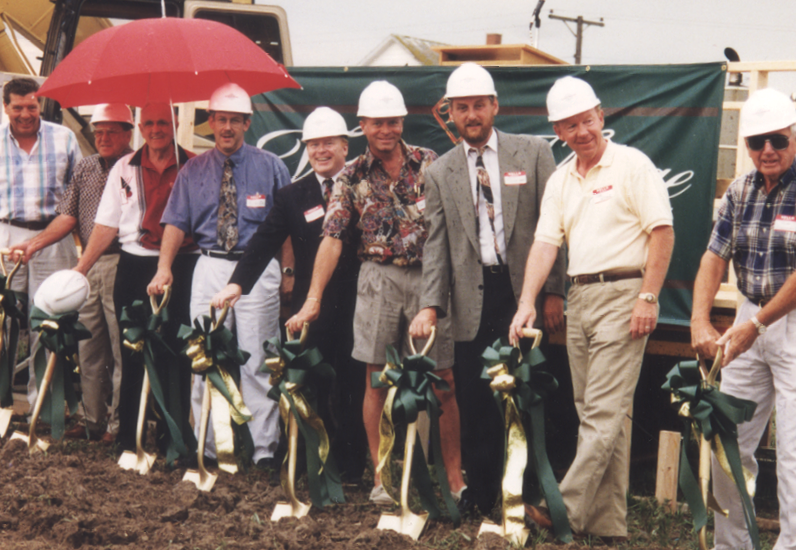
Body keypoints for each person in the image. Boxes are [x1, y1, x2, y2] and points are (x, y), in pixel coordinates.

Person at [509, 76, 674, 539]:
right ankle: (608, 524)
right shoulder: (562, 178)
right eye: (569, 125)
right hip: (580, 296)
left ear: (601, 116)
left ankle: (564, 508)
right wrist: (527, 302)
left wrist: (648, 295)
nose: (581, 131)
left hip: (625, 294)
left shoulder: (632, 165)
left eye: (587, 121)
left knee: (601, 412)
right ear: (557, 131)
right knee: (601, 412)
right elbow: (545, 243)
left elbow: (662, 232)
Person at [286, 81, 466, 505]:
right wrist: (313, 297)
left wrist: (439, 292)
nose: (385, 130)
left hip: (428, 277)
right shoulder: (350, 177)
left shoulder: (430, 163)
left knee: (444, 381)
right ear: (362, 126)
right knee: (376, 381)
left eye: (392, 121)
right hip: (377, 279)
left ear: (401, 122)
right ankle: (382, 477)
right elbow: (331, 238)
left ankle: (454, 478)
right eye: (376, 123)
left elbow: (450, 226)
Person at [691, 88, 796, 550]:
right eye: (757, 142)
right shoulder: (739, 191)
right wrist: (700, 319)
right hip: (751, 318)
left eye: (777, 140)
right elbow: (713, 259)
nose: (767, 151)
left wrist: (755, 326)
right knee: (727, 440)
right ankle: (731, 545)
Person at [409, 63, 567, 514]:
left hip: (524, 296)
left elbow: (555, 228)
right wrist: (431, 306)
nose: (472, 114)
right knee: (477, 400)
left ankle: (530, 493)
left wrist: (552, 292)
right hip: (470, 301)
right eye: (462, 108)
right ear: (451, 114)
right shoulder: (440, 173)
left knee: (530, 393)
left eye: (479, 105)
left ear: (495, 106)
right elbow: (436, 246)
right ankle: (482, 494)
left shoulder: (534, 153)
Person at [210, 106, 366, 479]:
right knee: (309, 384)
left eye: (329, 143)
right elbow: (264, 241)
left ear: (345, 146)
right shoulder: (293, 195)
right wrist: (237, 283)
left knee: (352, 386)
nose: (321, 151)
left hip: (358, 305)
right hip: (307, 312)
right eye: (313, 144)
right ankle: (312, 461)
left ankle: (352, 466)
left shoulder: (364, 186)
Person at [150, 83, 292, 467]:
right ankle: (207, 447)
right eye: (221, 119)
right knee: (203, 357)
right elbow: (176, 223)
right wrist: (164, 268)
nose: (227, 127)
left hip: (258, 268)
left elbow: (287, 225)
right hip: (210, 266)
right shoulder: (193, 170)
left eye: (235, 120)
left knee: (258, 359)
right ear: (210, 122)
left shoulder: (271, 166)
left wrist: (289, 271)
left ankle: (264, 451)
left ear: (248, 123)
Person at [75, 102, 198, 457]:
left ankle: (173, 440)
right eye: (150, 123)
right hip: (134, 264)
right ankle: (130, 438)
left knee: (176, 353)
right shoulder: (124, 168)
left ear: (175, 122)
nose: (156, 129)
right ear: (140, 127)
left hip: (182, 265)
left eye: (163, 121)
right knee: (131, 352)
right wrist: (81, 268)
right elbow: (106, 224)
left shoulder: (194, 163)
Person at [9, 103, 135, 442]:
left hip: (124, 262)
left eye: (111, 131)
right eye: (99, 131)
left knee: (121, 346)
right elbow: (67, 217)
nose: (103, 137)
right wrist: (34, 244)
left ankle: (118, 425)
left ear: (128, 133)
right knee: (88, 344)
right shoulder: (87, 167)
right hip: (88, 265)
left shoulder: (135, 168)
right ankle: (93, 420)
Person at [0, 76, 81, 408]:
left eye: (31, 106)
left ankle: (43, 402)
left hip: (52, 236)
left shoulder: (64, 139)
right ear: (5, 107)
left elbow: (76, 200)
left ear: (40, 104)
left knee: (48, 316)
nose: (25, 114)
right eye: (17, 107)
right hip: (5, 233)